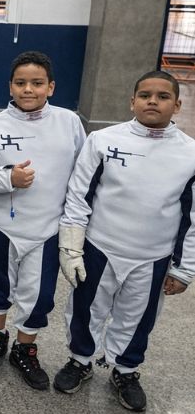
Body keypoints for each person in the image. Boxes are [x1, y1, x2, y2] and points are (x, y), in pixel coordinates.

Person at [52, 71, 195, 411]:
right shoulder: (102, 140)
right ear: (132, 101)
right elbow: (78, 196)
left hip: (153, 257)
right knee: (86, 310)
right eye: (145, 95)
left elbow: (193, 218)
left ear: (176, 104)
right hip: (100, 249)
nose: (152, 101)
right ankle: (80, 360)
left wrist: (184, 269)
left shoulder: (190, 154)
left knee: (138, 318)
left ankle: (126, 370)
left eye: (162, 97)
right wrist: (71, 248)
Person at [0, 51, 85, 390]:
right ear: (10, 87)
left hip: (47, 227)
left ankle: (25, 348)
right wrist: (6, 179)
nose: (28, 90)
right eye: (21, 83)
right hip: (3, 224)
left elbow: (81, 176)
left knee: (42, 294)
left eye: (37, 83)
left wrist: (76, 225)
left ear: (51, 87)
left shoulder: (69, 122)